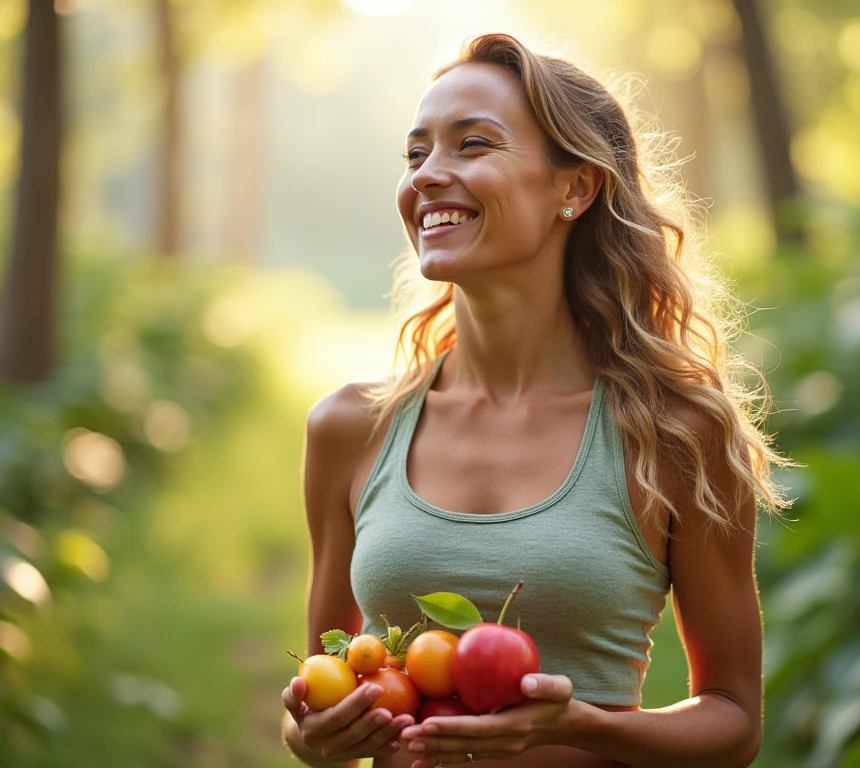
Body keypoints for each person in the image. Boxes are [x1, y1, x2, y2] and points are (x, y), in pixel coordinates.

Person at [281, 32, 794, 768]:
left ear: (574, 188)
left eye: (472, 145)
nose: (428, 174)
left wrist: (580, 726)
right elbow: (317, 695)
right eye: (416, 152)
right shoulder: (349, 428)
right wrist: (312, 734)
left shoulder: (674, 433)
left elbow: (735, 723)